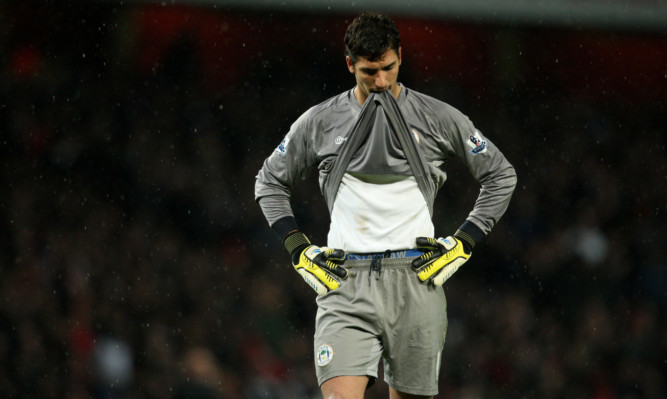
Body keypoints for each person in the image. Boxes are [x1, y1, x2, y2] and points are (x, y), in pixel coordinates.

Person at [255, 12, 516, 399]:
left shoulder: (439, 117)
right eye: (369, 71)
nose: (381, 81)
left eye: (388, 68)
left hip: (416, 280)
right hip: (344, 282)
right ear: (349, 65)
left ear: (401, 57)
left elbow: (501, 175)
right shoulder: (319, 121)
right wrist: (298, 249)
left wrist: (463, 243)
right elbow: (269, 181)